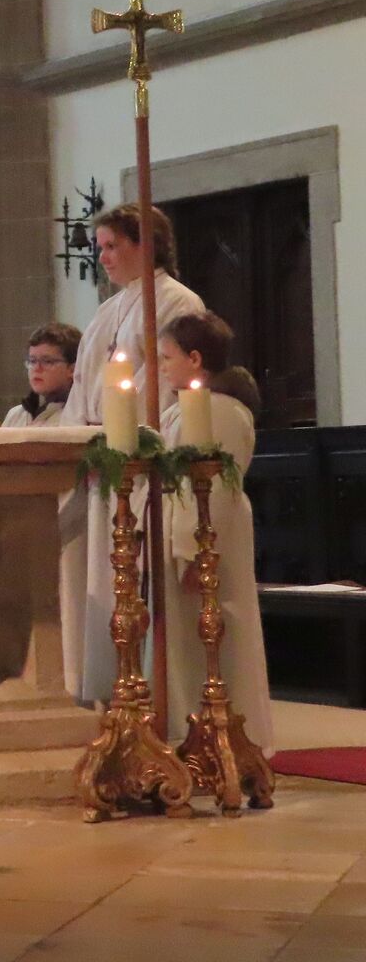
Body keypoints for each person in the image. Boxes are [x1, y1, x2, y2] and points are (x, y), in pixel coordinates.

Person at [60, 203, 207, 705]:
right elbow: (85, 381)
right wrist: (76, 437)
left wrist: (126, 437)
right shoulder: (111, 307)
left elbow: (162, 383)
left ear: (146, 244)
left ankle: (142, 689)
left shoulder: (177, 302)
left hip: (139, 463)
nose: (102, 257)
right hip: (102, 456)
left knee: (132, 579)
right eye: (98, 247)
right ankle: (105, 688)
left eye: (111, 245)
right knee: (101, 578)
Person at [158, 313, 272, 749]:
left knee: (220, 639)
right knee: (191, 645)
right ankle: (194, 732)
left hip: (210, 540)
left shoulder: (219, 410)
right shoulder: (186, 408)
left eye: (168, 357)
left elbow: (209, 488)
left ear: (195, 358)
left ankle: (230, 736)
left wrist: (192, 553)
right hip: (192, 538)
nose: (163, 366)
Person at [3, 323, 80, 428]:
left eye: (47, 361)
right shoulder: (15, 415)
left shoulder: (79, 416)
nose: (37, 368)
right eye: (32, 361)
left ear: (72, 370)